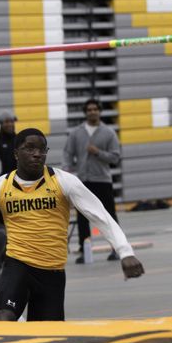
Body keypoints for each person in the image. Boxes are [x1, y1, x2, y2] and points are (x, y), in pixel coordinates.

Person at [0, 128, 144, 321]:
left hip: (52, 272)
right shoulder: (0, 187)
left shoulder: (64, 182)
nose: (37, 154)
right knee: (3, 318)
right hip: (17, 265)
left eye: (42, 149)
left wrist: (125, 252)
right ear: (16, 153)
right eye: (30, 148)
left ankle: (23, 324)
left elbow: (101, 216)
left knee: (47, 334)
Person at [62, 99, 122, 264]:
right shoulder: (76, 133)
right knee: (82, 217)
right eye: (89, 109)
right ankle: (84, 250)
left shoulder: (108, 132)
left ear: (100, 111)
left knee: (108, 216)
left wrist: (98, 152)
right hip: (83, 181)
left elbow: (115, 157)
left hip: (102, 180)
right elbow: (67, 154)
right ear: (85, 112)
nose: (92, 112)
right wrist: (66, 171)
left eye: (95, 109)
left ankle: (116, 248)